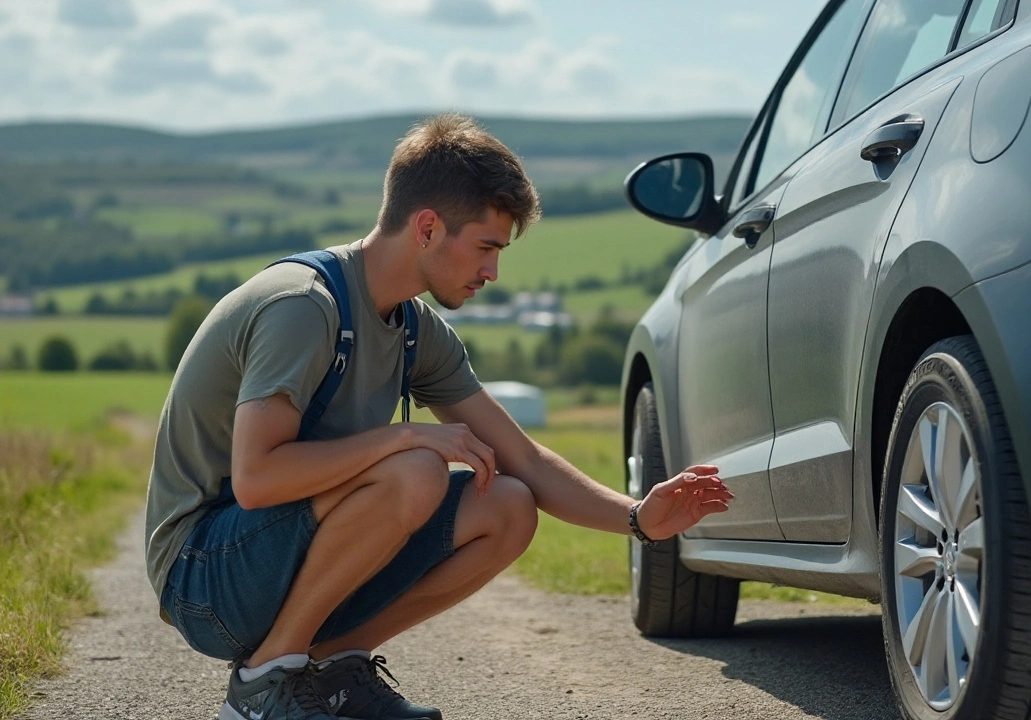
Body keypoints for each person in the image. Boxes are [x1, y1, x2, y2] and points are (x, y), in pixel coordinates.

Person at [143, 113, 734, 720]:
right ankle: (264, 687)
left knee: (507, 504)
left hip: (275, 560)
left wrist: (639, 520)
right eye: (485, 247)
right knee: (416, 468)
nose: (492, 272)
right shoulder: (304, 307)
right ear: (427, 228)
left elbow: (523, 458)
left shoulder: (415, 331)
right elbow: (258, 478)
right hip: (204, 578)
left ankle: (333, 671)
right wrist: (406, 436)